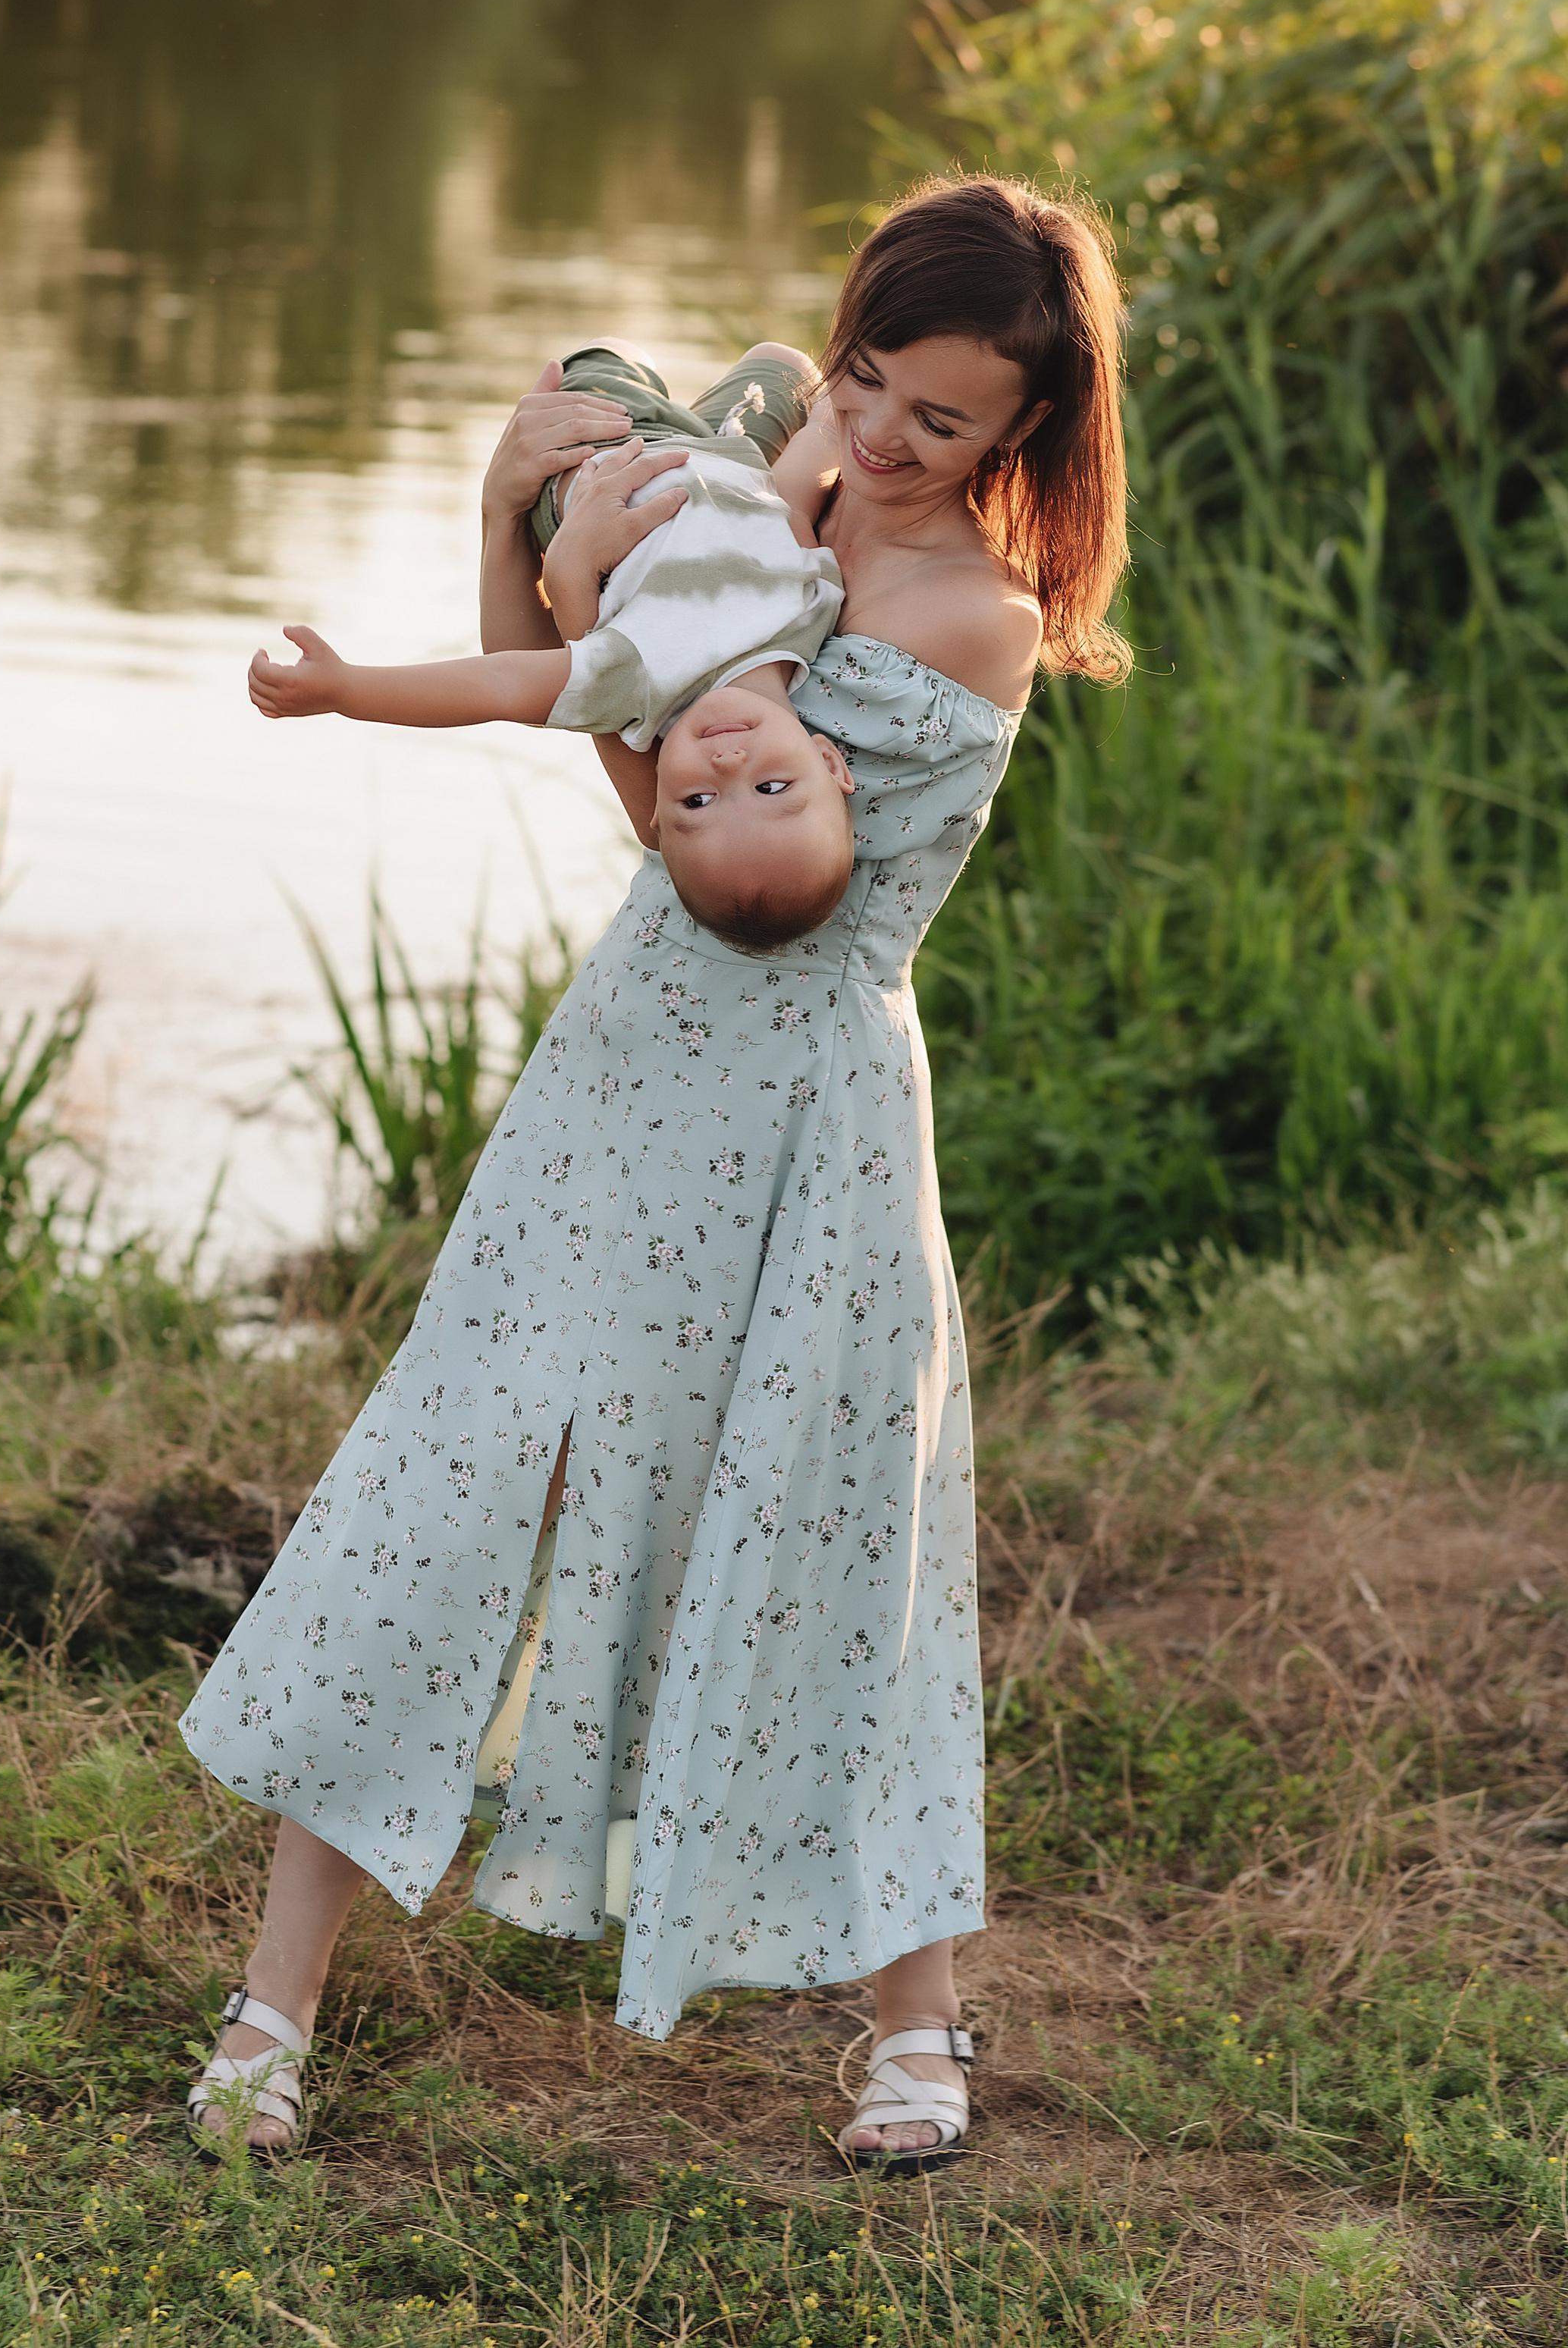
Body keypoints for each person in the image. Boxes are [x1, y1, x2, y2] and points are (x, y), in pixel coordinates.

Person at [179, 172, 1129, 2177]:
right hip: (622, 1091)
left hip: (803, 1135)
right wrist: (510, 499)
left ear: (1021, 436)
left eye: (936, 421)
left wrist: (605, 609)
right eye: (865, 376)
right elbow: (566, 676)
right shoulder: (778, 489)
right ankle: (270, 2012)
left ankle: (916, 2022)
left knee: (828, 1543)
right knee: (458, 1477)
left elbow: (711, 833)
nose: (874, 435)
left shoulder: (975, 619)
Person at [245, 339, 858, 950]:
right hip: (719, 453)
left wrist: (346, 688)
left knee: (598, 362)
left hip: (604, 458)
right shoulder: (815, 615)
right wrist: (845, 409)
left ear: (657, 813)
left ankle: (618, 365)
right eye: (773, 789)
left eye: (697, 801)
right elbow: (793, 497)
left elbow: (500, 683)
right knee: (787, 365)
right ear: (829, 763)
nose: (729, 768)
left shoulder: (637, 681)